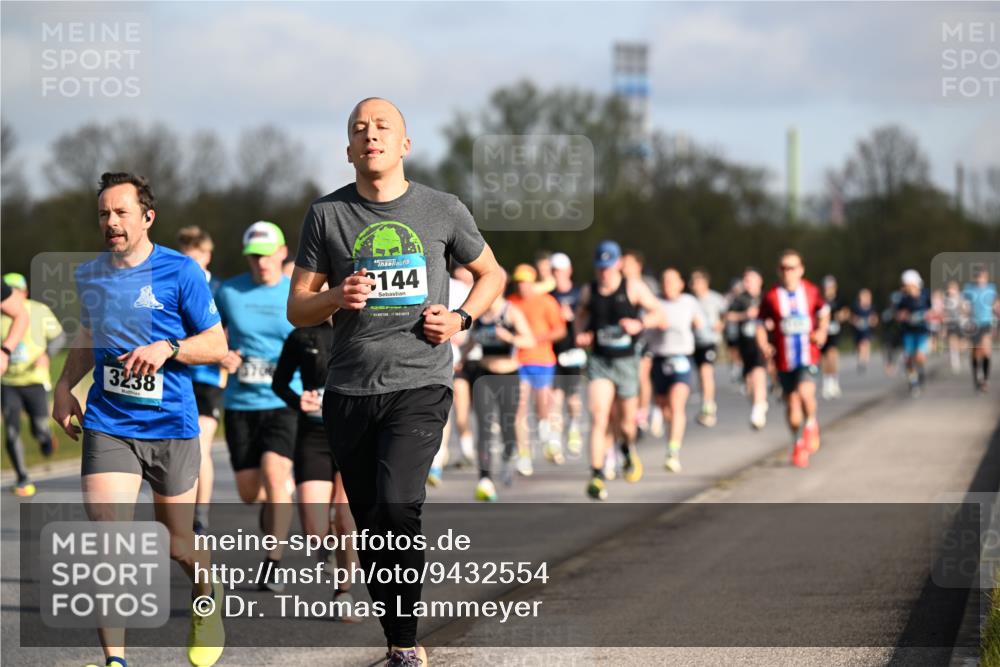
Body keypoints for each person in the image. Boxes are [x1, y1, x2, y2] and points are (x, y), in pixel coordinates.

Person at [287, 97, 505, 666]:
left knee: (397, 503)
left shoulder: (442, 209)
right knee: (372, 522)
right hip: (350, 390)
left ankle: (405, 646)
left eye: (382, 127)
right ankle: (400, 639)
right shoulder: (326, 215)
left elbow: (491, 274)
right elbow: (298, 308)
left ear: (404, 145)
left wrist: (461, 319)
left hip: (420, 381)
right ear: (348, 148)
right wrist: (335, 296)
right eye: (359, 129)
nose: (370, 135)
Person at [51, 172, 226, 667]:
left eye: (121, 212)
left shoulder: (181, 272)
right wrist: (65, 387)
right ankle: (115, 661)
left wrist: (168, 347)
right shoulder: (89, 275)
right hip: (110, 424)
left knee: (177, 545)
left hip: (172, 425)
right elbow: (88, 335)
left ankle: (205, 592)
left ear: (147, 217)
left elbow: (216, 345)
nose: (111, 222)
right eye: (104, 213)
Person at [214, 221, 299, 589]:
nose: (261, 264)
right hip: (240, 403)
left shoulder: (297, 293)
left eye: (267, 256)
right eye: (254, 257)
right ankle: (277, 490)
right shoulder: (230, 292)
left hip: (283, 401)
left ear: (282, 254)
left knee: (275, 475)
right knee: (251, 492)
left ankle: (273, 561)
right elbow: (207, 333)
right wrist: (222, 355)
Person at [271, 315, 360, 619]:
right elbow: (279, 382)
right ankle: (329, 554)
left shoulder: (366, 324)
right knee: (315, 529)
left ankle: (344, 593)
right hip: (314, 435)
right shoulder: (302, 335)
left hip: (355, 435)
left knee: (346, 520)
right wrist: (299, 401)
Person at [575, 241, 663, 500]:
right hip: (600, 362)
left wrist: (639, 323)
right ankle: (597, 475)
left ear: (619, 264)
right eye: (600, 267)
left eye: (609, 267)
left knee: (626, 424)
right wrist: (580, 334)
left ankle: (626, 448)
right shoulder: (589, 291)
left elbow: (660, 315)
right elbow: (580, 316)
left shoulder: (633, 287)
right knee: (599, 416)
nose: (605, 272)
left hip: (626, 362)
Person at [756, 250, 829, 468]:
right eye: (784, 268)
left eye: (792, 268)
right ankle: (797, 442)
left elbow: (824, 311)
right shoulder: (771, 296)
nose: (788, 272)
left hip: (808, 355)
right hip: (784, 359)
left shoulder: (811, 291)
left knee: (806, 393)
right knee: (792, 404)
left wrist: (823, 330)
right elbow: (760, 324)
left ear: (801, 269)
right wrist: (763, 344)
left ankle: (811, 424)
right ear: (779, 271)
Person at [461, 291, 535, 500]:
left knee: (507, 424)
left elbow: (529, 340)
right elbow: (471, 342)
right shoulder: (480, 312)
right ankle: (485, 478)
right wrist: (461, 360)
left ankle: (508, 459)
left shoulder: (511, 312)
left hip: (508, 375)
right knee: (483, 425)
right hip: (483, 375)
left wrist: (510, 337)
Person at [176, 227, 224, 535]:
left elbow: (231, 332)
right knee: (179, 447)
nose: (188, 263)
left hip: (208, 379)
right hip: (178, 375)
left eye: (194, 258)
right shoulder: (172, 284)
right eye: (184, 258)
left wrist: (229, 360)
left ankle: (200, 515)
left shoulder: (220, 290)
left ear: (206, 257)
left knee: (200, 445)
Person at [1, 273, 65, 496]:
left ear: (25, 292)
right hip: (8, 381)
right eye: (8, 290)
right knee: (10, 431)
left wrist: (47, 354)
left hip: (36, 379)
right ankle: (22, 477)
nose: (11, 295)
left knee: (39, 427)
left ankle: (45, 437)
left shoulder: (38, 310)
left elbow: (59, 336)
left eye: (15, 290)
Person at [508, 263, 567, 470]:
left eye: (526, 282)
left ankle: (547, 435)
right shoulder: (511, 303)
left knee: (543, 405)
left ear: (533, 283)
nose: (522, 286)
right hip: (520, 361)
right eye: (519, 282)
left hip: (543, 360)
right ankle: (523, 454)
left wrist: (539, 338)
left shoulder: (547, 302)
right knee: (519, 408)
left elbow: (560, 330)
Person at [647, 269, 703, 472]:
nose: (668, 285)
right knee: (665, 407)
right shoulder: (653, 302)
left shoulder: (689, 302)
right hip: (659, 358)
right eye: (664, 281)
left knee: (676, 403)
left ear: (681, 283)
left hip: (681, 358)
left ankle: (673, 452)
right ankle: (669, 428)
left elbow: (700, 322)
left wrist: (697, 326)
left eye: (672, 281)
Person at [428, 263, 476, 486]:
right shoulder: (431, 282)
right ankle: (437, 461)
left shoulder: (463, 289)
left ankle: (458, 453)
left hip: (458, 359)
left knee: (458, 410)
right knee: (443, 413)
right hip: (433, 359)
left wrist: (460, 333)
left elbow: (472, 321)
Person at [549, 252, 586, 457]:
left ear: (569, 271)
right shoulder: (550, 296)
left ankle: (573, 427)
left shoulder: (580, 294)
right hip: (554, 352)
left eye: (561, 271)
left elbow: (587, 318)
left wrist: (572, 318)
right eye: (555, 271)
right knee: (555, 397)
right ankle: (555, 438)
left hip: (574, 351)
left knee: (572, 396)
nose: (558, 275)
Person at [622, 249, 663, 438]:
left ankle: (642, 413)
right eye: (623, 263)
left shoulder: (648, 284)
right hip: (624, 339)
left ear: (638, 265)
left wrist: (642, 323)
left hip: (645, 337)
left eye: (628, 263)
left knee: (641, 376)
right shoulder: (619, 284)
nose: (624, 267)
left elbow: (657, 310)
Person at [727, 268, 768, 429]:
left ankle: (758, 410)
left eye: (751, 280)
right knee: (749, 380)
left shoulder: (766, 298)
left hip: (760, 344)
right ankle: (758, 404)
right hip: (745, 344)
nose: (748, 284)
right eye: (746, 281)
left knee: (758, 373)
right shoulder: (739, 299)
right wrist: (745, 315)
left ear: (759, 282)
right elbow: (728, 316)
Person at [689, 268, 726, 427]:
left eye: (697, 281)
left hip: (710, 341)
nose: (694, 285)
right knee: (700, 373)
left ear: (705, 282)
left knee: (706, 371)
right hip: (693, 342)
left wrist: (721, 324)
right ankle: (706, 400)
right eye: (692, 282)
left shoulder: (715, 298)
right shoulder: (689, 300)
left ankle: (708, 404)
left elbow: (726, 313)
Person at [896, 269, 932, 397]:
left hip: (922, 331)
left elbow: (934, 310)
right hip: (908, 332)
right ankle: (913, 381)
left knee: (920, 356)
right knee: (909, 358)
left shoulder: (926, 295)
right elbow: (898, 314)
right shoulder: (903, 298)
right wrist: (904, 316)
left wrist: (928, 315)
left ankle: (921, 372)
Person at [963, 267, 998, 393]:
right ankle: (976, 377)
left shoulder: (991, 288)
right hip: (973, 324)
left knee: (986, 351)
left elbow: (995, 304)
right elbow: (964, 305)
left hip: (986, 322)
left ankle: (985, 379)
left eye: (983, 276)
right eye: (978, 276)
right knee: (975, 352)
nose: (980, 279)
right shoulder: (968, 289)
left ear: (986, 277)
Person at [820, 276, 848, 399]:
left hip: (834, 332)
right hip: (823, 332)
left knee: (833, 356)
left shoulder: (839, 300)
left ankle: (834, 382)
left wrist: (841, 316)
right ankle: (827, 384)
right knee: (825, 359)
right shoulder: (820, 300)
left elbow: (846, 312)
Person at [0, 276, 30, 377]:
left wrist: (4, 352)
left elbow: (21, 315)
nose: (15, 292)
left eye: (17, 289)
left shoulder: (39, 309)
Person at [850, 288, 879, 374]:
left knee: (865, 343)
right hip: (858, 330)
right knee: (860, 345)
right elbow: (852, 318)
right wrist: (857, 322)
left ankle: (864, 361)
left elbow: (875, 319)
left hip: (867, 330)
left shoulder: (871, 308)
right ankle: (861, 358)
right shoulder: (856, 307)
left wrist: (872, 321)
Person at [942, 280, 965, 374]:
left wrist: (961, 306)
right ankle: (954, 360)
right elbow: (944, 312)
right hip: (950, 323)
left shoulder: (961, 298)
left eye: (953, 288)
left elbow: (965, 310)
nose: (951, 290)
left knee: (962, 345)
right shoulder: (946, 299)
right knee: (952, 342)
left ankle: (958, 354)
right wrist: (943, 325)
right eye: (950, 288)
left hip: (960, 322)